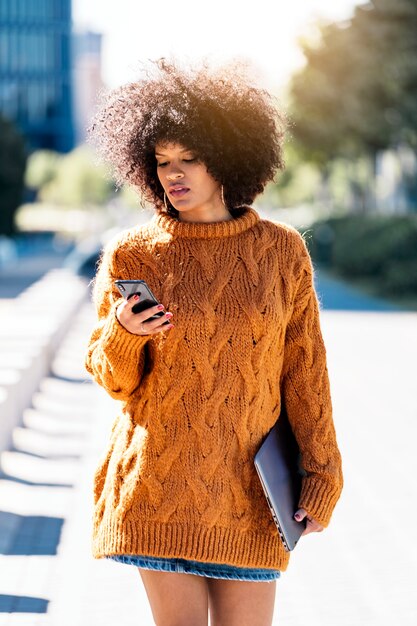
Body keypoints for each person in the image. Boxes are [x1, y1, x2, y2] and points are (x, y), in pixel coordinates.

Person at [85, 58, 343, 626]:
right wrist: (124, 335)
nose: (173, 176)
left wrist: (323, 473)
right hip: (159, 485)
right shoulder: (134, 253)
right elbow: (112, 379)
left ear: (226, 157)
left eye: (189, 159)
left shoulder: (281, 252)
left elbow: (305, 372)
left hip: (250, 496)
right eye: (162, 162)